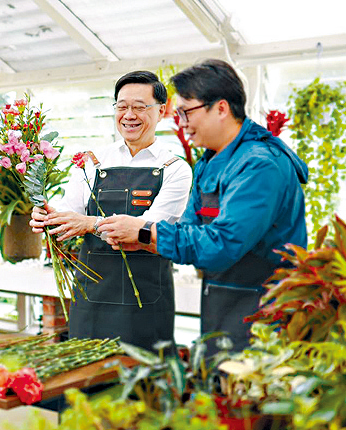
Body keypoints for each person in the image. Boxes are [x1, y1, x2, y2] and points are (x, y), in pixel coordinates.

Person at [98, 59, 308, 353]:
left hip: (266, 317)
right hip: (222, 308)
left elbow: (222, 244)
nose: (181, 123)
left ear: (221, 108)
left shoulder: (261, 166)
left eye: (186, 112)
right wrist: (141, 239)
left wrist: (145, 232)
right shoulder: (210, 162)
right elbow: (188, 228)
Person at [30, 70, 193, 351]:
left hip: (145, 301)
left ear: (161, 111)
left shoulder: (175, 168)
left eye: (140, 107)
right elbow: (69, 215)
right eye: (122, 106)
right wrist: (48, 217)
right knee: (86, 385)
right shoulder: (92, 162)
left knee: (141, 388)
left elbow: (144, 231)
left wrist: (89, 224)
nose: (129, 115)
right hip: (92, 299)